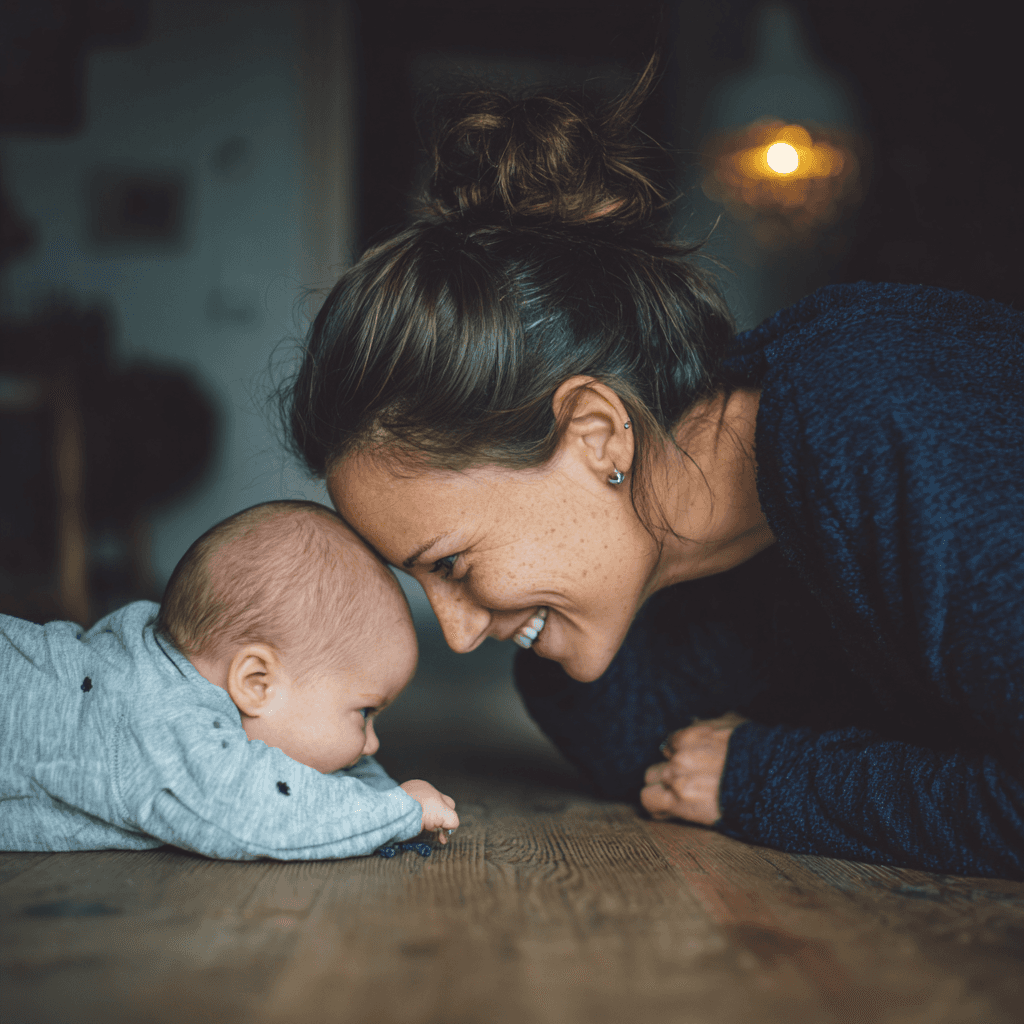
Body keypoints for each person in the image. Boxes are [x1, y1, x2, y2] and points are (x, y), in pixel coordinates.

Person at [286, 69, 1023, 879]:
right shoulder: (596, 684)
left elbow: (752, 774)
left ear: (599, 436)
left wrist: (767, 777)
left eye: (452, 564)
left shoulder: (869, 408)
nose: (458, 635)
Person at [0, 500, 459, 858]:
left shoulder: (159, 665)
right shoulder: (162, 718)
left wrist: (378, 791)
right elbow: (251, 808)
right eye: (364, 713)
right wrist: (397, 810)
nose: (372, 744)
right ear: (257, 683)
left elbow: (308, 766)